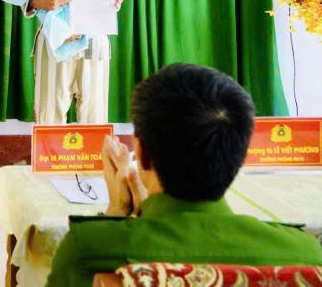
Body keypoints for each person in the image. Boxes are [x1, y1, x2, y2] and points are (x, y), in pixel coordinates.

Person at [47, 63, 322, 286]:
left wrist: (117, 213)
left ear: (140, 153)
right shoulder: (306, 254)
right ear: (238, 157)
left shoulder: (90, 250)